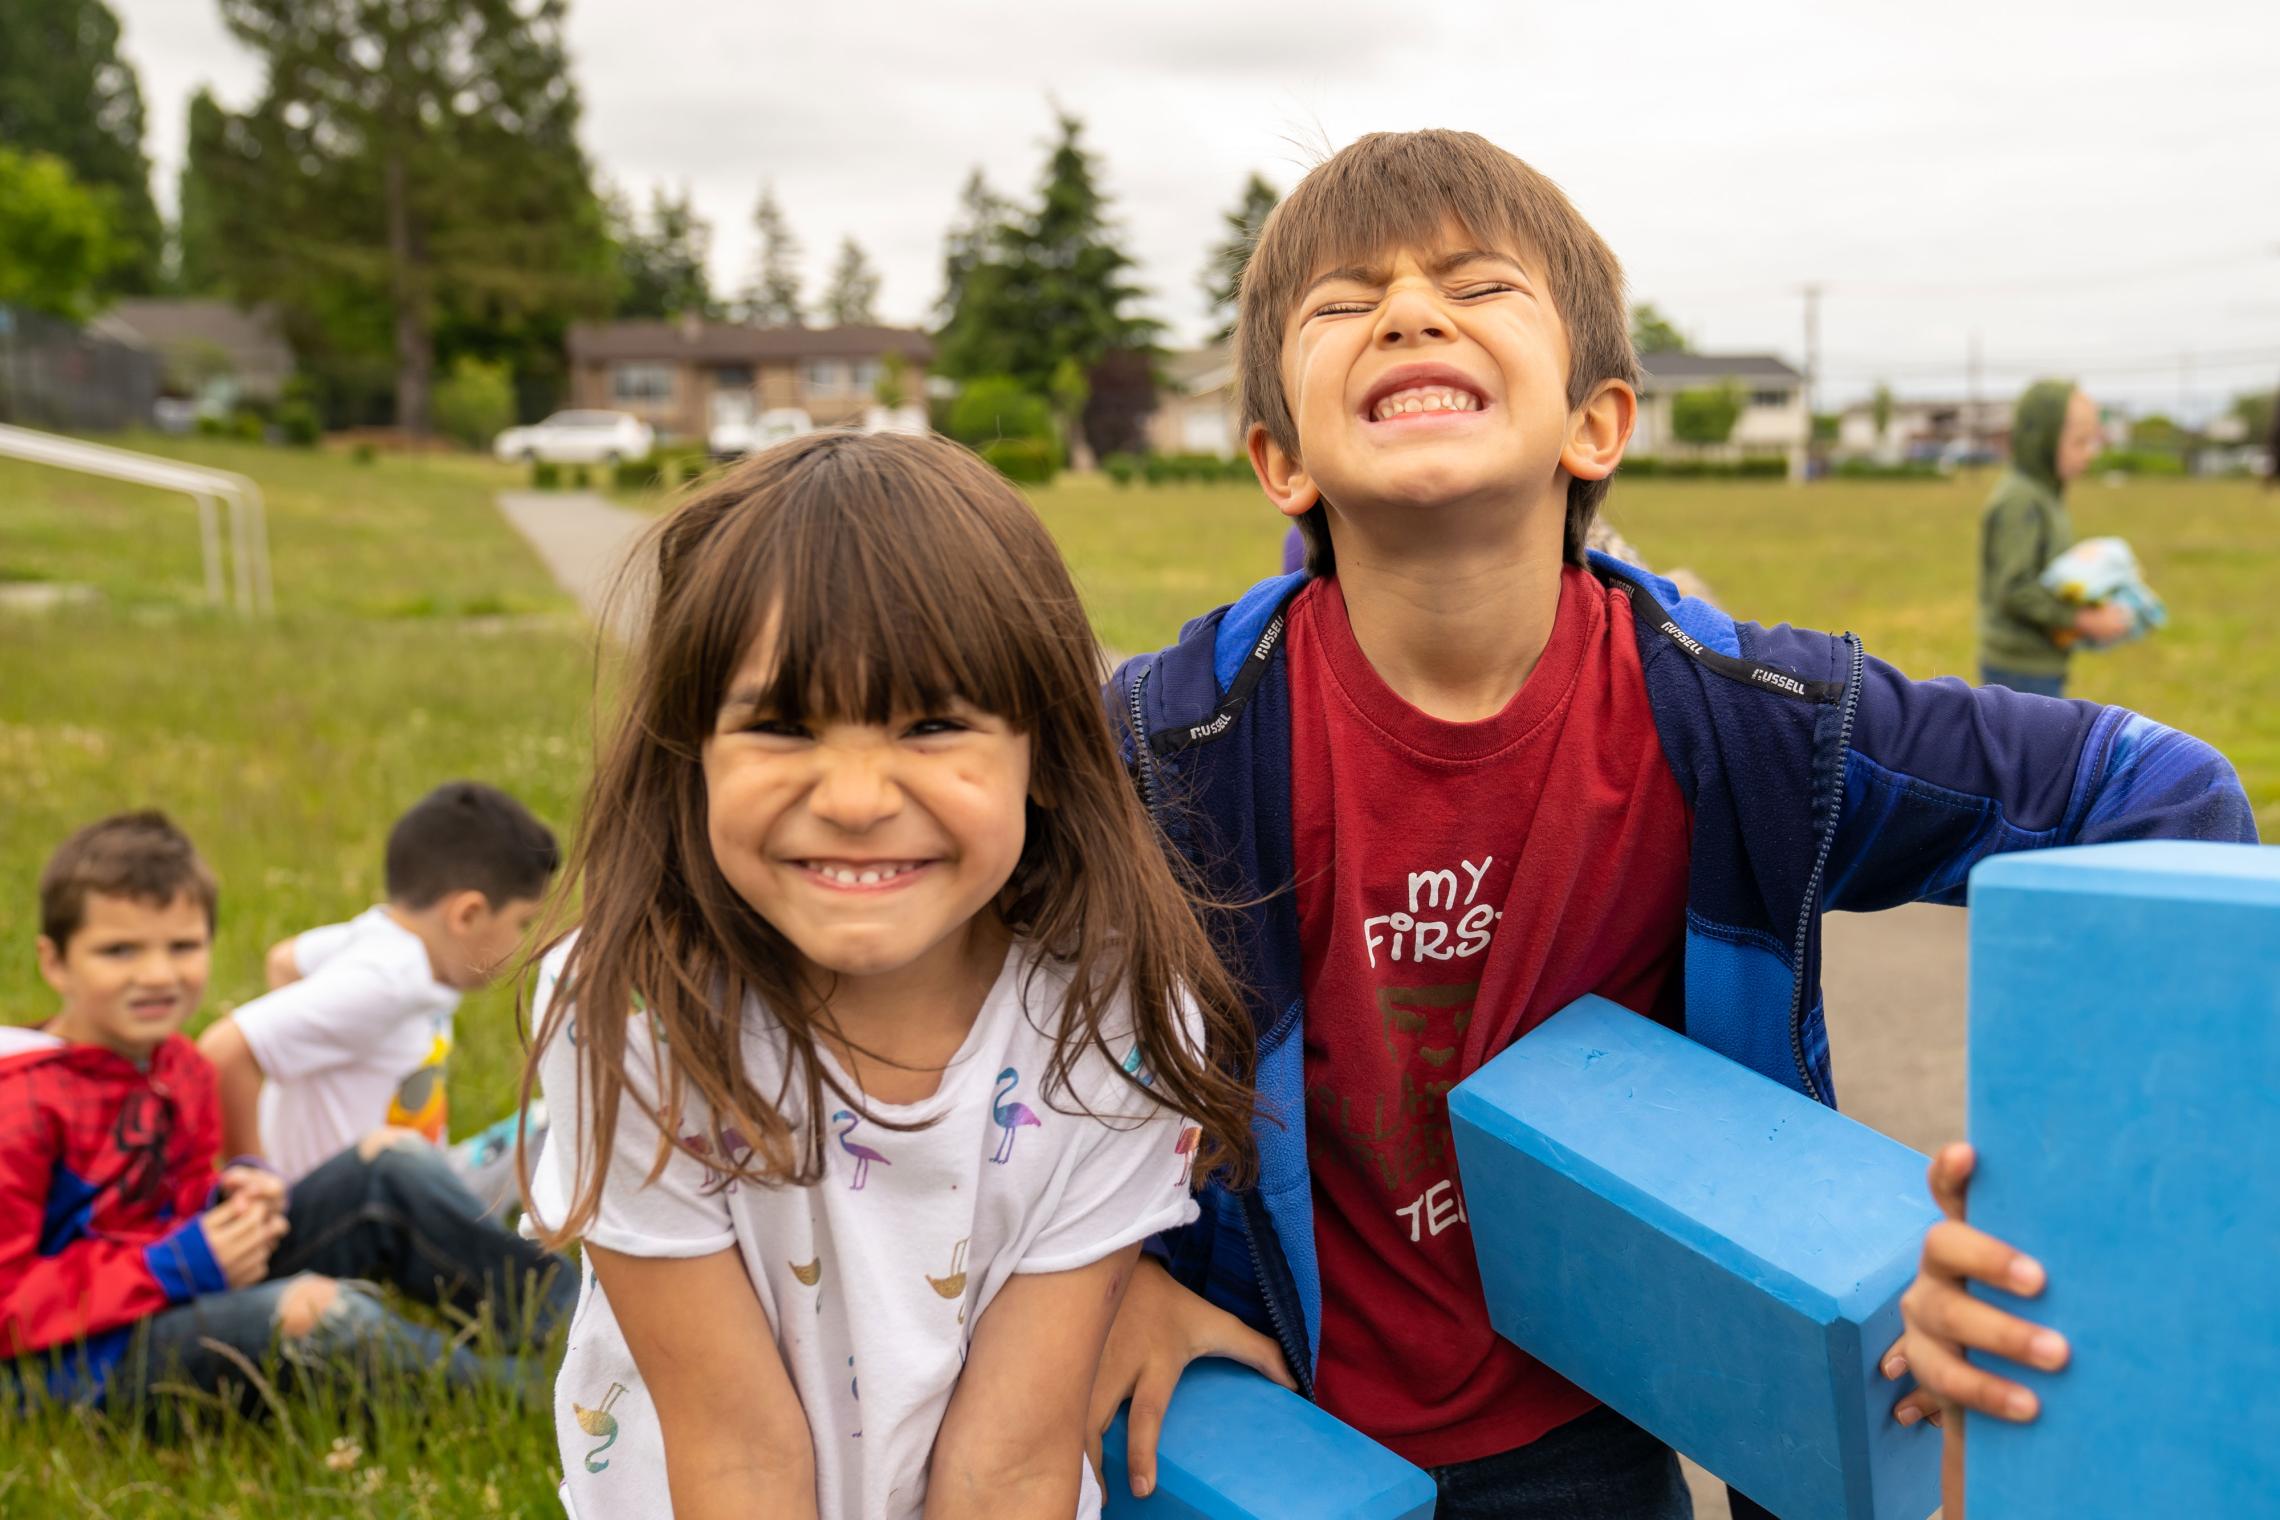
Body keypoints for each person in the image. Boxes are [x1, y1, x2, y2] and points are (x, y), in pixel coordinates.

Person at [1090, 129, 2256, 1520]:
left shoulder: (1754, 723)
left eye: (1477, 283)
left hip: (1592, 1445)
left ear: (1598, 425)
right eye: (1343, 303)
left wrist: (2046, 1227)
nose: (1408, 309)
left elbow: (2166, 799)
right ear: (1278, 457)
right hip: (1256, 1434)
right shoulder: (1167, 748)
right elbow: (953, 1003)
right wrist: (1105, 1286)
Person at [520, 430, 1260, 1520]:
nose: (858, 795)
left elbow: (1007, 1464)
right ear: (692, 756)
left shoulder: (1116, 1030)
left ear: (1047, 753)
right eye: (779, 724)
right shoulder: (634, 1016)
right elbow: (736, 1452)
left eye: (931, 723)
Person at [0, 812, 559, 1413]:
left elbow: (160, 1206)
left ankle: (581, 1327)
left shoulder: (180, 1068)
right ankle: (535, 1404)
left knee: (388, 1160)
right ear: (54, 962)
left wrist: (233, 1196)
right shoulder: (22, 1100)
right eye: (118, 950)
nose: (157, 974)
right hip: (72, 1364)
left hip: (177, 1288)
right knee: (310, 1312)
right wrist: (176, 1264)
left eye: (182, 946)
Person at [198, 780, 557, 1215]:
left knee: (550, 1122)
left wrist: (310, 1066)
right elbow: (223, 1051)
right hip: (364, 1210)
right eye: (523, 924)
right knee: (569, 1124)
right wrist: (258, 1186)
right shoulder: (387, 980)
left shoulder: (382, 936)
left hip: (419, 1170)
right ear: (468, 915)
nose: (526, 944)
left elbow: (284, 960)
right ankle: (558, 1280)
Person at [1976, 380, 2132, 697]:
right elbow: (2015, 590)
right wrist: (2082, 619)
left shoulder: (2046, 495)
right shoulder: (2020, 500)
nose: (2090, 453)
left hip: (2042, 661)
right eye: (2079, 442)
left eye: (2093, 441)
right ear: (2042, 440)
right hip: (2019, 668)